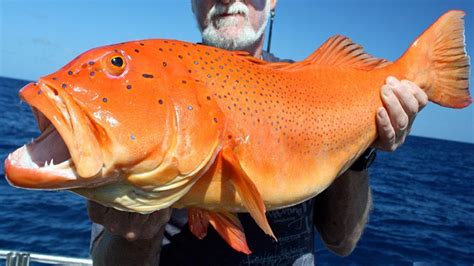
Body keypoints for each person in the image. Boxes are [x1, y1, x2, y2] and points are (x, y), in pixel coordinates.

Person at [88, 0, 428, 265]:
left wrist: (362, 149)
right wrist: (136, 232)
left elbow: (342, 242)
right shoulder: (151, 87)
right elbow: (107, 262)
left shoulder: (320, 88)